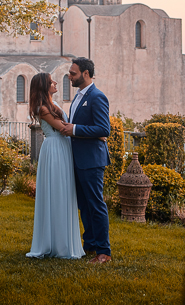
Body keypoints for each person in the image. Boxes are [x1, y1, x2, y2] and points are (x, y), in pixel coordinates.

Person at [26, 72, 85, 259]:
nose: (55, 82)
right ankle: (57, 244)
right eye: (51, 81)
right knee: (57, 191)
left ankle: (62, 241)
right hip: (54, 150)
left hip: (62, 147)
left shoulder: (53, 105)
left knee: (64, 191)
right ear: (44, 86)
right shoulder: (43, 108)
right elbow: (62, 128)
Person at [59, 57, 112, 264]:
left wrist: (74, 129)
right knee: (84, 205)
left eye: (73, 73)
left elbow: (103, 129)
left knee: (96, 205)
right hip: (78, 160)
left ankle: (103, 252)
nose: (70, 76)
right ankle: (89, 245)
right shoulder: (78, 97)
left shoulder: (97, 97)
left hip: (92, 160)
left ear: (86, 74)